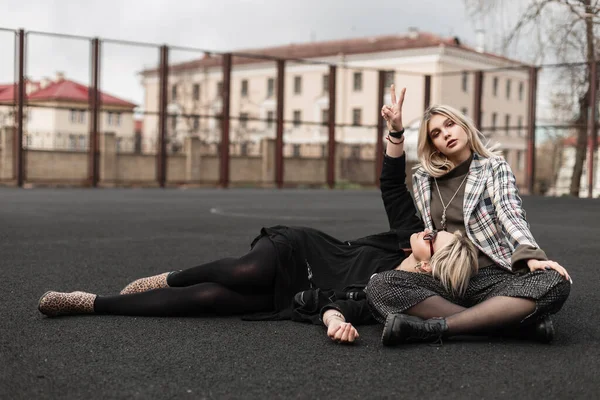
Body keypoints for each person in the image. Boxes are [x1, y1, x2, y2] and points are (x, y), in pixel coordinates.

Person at [38, 143, 478, 321]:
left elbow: (348, 306)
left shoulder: (397, 291)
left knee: (210, 302)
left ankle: (91, 303)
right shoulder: (405, 235)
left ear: (433, 261)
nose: (430, 229)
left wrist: (332, 318)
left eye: (436, 237)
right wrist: (395, 134)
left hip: (298, 296)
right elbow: (391, 183)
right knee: (246, 270)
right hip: (303, 250)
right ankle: (171, 276)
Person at [364, 85, 572, 346]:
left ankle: (437, 327)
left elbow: (510, 211)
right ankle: (507, 326)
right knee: (380, 286)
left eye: (450, 125)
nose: (446, 134)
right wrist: (395, 130)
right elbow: (393, 187)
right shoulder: (424, 180)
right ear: (434, 145)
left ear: (463, 126)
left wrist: (530, 256)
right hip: (446, 279)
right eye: (437, 134)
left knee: (555, 281)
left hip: (494, 278)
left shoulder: (493, 167)